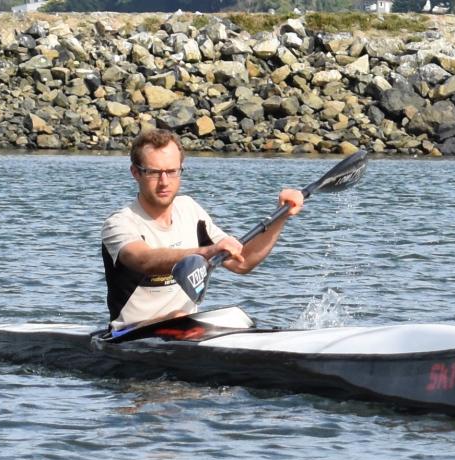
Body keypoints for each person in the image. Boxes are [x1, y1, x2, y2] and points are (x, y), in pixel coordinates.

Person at [101, 129, 304, 331]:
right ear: (135, 172)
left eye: (172, 171)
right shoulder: (120, 223)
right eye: (153, 172)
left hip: (186, 330)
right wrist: (207, 252)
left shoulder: (190, 210)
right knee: (182, 318)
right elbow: (143, 259)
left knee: (233, 318)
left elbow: (243, 262)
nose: (164, 182)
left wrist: (281, 214)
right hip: (129, 335)